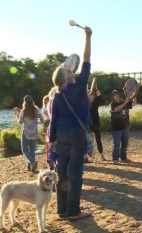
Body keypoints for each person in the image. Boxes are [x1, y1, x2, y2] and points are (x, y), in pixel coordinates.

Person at [49, 26, 93, 220]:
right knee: (75, 173)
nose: (71, 69)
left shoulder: (57, 95)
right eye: (68, 70)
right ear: (68, 76)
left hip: (61, 133)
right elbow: (86, 59)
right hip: (76, 133)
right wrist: (88, 37)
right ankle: (73, 212)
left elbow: (53, 119)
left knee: (62, 171)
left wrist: (52, 141)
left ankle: (61, 210)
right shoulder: (81, 84)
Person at [14, 95, 44, 172]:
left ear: (24, 102)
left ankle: (33, 162)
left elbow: (20, 123)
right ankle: (31, 166)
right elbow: (42, 120)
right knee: (32, 150)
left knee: (24, 150)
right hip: (34, 132)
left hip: (26, 133)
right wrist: (36, 122)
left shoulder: (23, 111)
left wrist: (17, 116)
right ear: (32, 102)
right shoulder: (37, 110)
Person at [110, 90, 135, 164]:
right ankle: (115, 158)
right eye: (114, 95)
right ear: (113, 97)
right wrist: (125, 103)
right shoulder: (113, 104)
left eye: (117, 95)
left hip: (125, 126)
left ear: (119, 95)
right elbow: (116, 109)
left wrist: (134, 95)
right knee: (117, 144)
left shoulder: (124, 102)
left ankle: (123, 157)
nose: (116, 96)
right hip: (116, 128)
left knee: (125, 143)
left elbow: (134, 103)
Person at [85, 86, 106, 162]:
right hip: (87, 125)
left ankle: (102, 155)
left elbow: (99, 96)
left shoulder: (95, 103)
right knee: (86, 141)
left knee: (98, 140)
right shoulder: (84, 104)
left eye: (91, 95)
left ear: (93, 96)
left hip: (96, 124)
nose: (90, 97)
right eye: (88, 95)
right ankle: (86, 156)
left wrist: (96, 88)